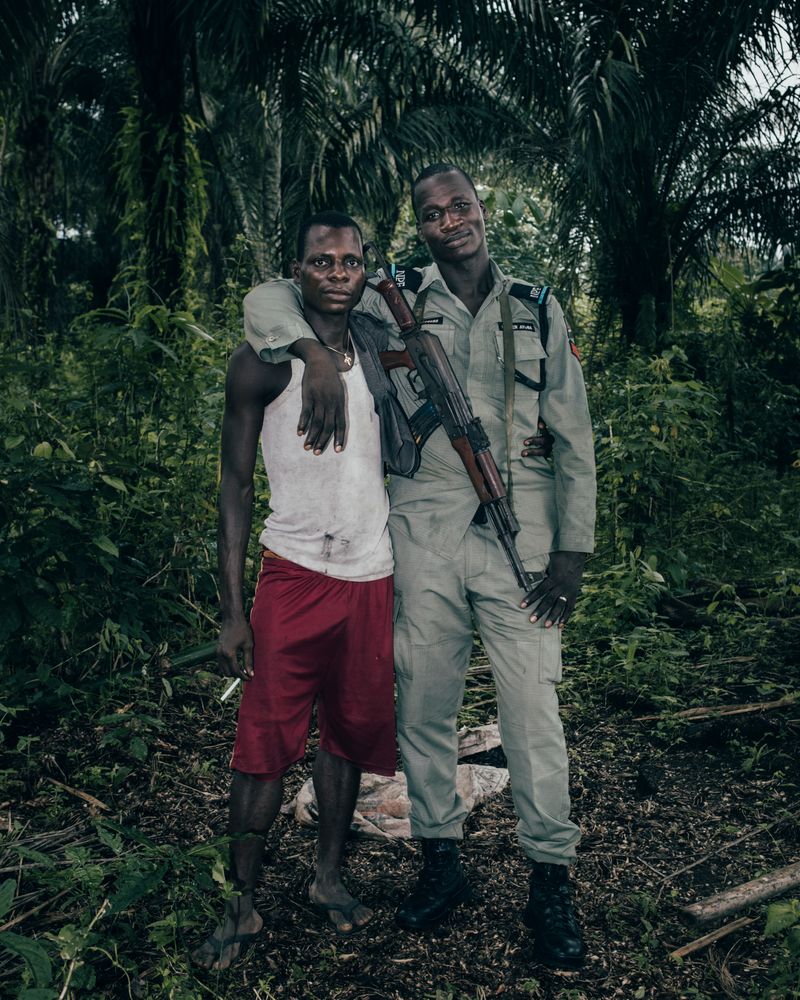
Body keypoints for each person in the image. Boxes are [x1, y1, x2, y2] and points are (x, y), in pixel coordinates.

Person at [243, 166, 596, 970]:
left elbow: (573, 435)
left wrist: (573, 553)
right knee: (424, 707)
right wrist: (316, 356)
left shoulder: (537, 305)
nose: (450, 222)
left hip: (524, 542)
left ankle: (552, 883)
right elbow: (269, 299)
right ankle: (442, 862)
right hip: (422, 531)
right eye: (432, 215)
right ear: (421, 228)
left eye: (460, 207)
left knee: (532, 717)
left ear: (482, 211)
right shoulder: (383, 294)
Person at [193, 211, 418, 971]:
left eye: (350, 260)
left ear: (366, 267)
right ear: (298, 269)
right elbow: (232, 482)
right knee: (261, 748)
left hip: (370, 573)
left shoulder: (380, 347)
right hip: (292, 573)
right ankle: (241, 904)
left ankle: (326, 879)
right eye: (321, 261)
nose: (337, 271)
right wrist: (232, 609)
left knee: (349, 734)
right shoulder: (262, 361)